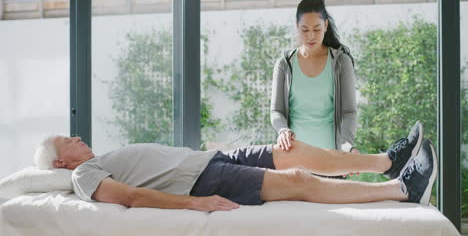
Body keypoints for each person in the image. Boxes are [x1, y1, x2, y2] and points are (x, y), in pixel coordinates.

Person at [33, 121, 436, 212]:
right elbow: (132, 197)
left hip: (212, 159)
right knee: (296, 180)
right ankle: (401, 190)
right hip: (203, 179)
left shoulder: (98, 159)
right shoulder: (82, 175)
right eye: (69, 141)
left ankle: (384, 162)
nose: (78, 138)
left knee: (294, 150)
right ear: (59, 161)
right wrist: (196, 204)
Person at [270, 0, 357, 154]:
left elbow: (349, 112)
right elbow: (276, 111)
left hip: (331, 158)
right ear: (297, 27)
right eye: (305, 30)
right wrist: (282, 130)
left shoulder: (341, 62)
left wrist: (346, 146)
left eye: (316, 29)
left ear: (325, 25)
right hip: (294, 159)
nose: (311, 36)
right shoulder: (284, 64)